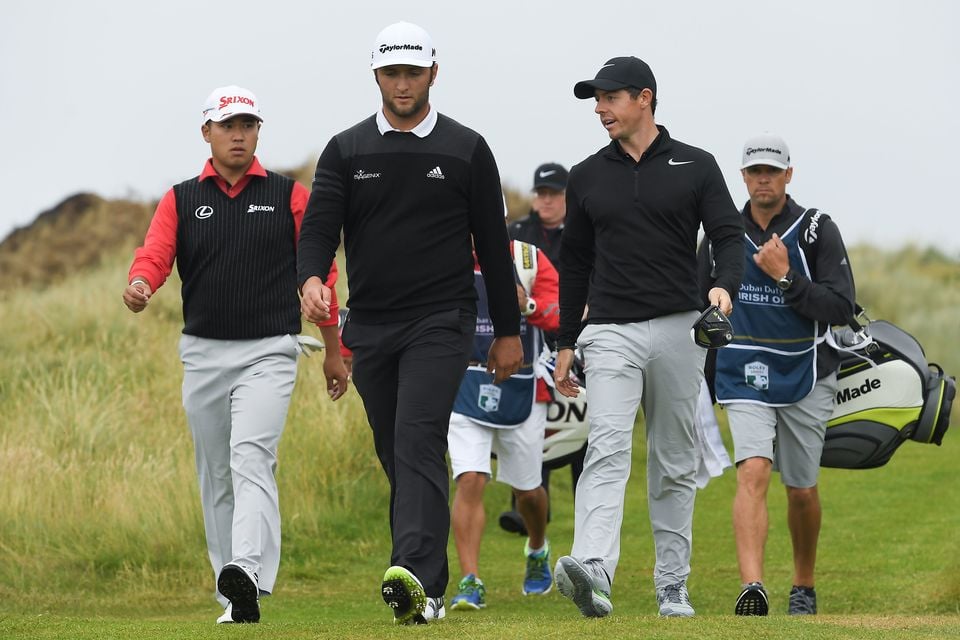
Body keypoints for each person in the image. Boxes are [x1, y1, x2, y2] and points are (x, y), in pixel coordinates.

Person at [296, 22, 523, 626]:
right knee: (397, 450)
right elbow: (319, 229)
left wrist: (507, 330)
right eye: (392, 73)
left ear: (433, 73)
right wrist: (312, 279)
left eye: (413, 72)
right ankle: (432, 590)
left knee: (419, 436)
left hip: (442, 320)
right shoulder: (346, 150)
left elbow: (494, 247)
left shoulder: (467, 148)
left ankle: (413, 575)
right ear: (377, 76)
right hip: (370, 325)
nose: (403, 84)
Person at [122, 85, 348, 624]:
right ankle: (232, 598)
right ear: (207, 132)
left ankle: (245, 569)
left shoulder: (290, 195)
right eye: (228, 126)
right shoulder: (180, 198)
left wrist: (335, 353)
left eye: (248, 125)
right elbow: (155, 254)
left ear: (257, 132)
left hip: (269, 350)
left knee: (251, 458)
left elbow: (322, 275)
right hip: (203, 353)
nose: (239, 134)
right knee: (216, 474)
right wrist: (139, 283)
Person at [551, 56, 744, 618]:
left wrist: (724, 288)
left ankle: (672, 584)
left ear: (644, 98)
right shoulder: (585, 174)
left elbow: (729, 238)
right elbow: (576, 264)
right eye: (595, 98)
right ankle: (593, 569)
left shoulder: (697, 165)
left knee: (674, 458)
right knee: (607, 448)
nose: (599, 108)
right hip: (609, 329)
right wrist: (567, 340)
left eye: (609, 97)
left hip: (682, 328)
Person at [699, 133, 856, 616]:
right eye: (754, 171)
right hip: (742, 371)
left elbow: (840, 307)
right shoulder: (721, 234)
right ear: (742, 177)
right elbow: (696, 304)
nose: (762, 179)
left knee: (803, 489)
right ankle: (753, 587)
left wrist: (787, 277)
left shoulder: (816, 230)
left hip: (807, 371)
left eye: (772, 170)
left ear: (789, 175)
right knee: (753, 470)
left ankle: (803, 585)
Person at [448, 237, 559, 609]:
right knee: (470, 478)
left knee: (527, 491)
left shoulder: (528, 258)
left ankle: (537, 548)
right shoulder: (444, 248)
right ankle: (470, 579)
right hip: (462, 382)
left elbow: (562, 310)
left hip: (524, 385)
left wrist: (526, 304)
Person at [499, 162, 585, 536]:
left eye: (553, 193)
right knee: (535, 426)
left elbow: (592, 282)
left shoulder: (583, 234)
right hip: (530, 339)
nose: (545, 200)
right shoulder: (517, 233)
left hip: (579, 337)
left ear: (567, 197)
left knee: (582, 429)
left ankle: (589, 515)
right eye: (540, 193)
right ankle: (527, 509)